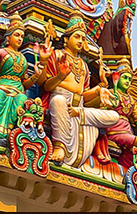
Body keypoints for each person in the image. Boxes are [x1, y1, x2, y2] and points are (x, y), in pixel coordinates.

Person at [40, 10, 119, 167]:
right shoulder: (56, 55)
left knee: (114, 117)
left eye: (83, 38)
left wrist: (100, 87)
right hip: (61, 102)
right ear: (66, 39)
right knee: (58, 100)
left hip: (79, 108)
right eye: (77, 37)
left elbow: (83, 95)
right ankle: (60, 146)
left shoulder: (83, 65)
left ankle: (80, 114)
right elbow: (46, 85)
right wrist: (60, 76)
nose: (80, 41)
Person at [0, 13, 50, 140]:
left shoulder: (22, 58)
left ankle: (7, 133)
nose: (20, 39)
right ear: (8, 38)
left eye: (22, 36)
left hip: (18, 88)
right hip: (2, 84)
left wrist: (35, 75)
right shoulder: (0, 52)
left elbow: (25, 83)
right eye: (16, 35)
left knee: (22, 99)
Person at [105, 58, 137, 170]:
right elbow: (104, 110)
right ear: (117, 78)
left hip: (127, 132)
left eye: (129, 79)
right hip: (114, 131)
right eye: (124, 78)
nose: (127, 81)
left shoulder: (131, 100)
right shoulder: (110, 93)